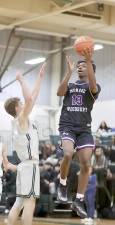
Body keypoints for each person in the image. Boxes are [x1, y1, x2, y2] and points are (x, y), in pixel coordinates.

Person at [57, 49, 101, 218]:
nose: (80, 67)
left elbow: (93, 86)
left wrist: (89, 61)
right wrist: (68, 73)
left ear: (91, 70)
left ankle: (79, 199)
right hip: (67, 126)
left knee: (85, 164)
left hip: (84, 129)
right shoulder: (71, 85)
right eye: (79, 66)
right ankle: (62, 185)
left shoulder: (94, 87)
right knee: (67, 154)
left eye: (85, 66)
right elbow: (59, 93)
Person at [4, 62, 46, 225]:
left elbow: (32, 96)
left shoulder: (19, 121)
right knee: (29, 202)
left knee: (19, 202)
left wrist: (40, 78)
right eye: (20, 104)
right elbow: (30, 98)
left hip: (23, 166)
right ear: (16, 108)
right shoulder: (21, 120)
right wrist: (21, 80)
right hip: (29, 166)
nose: (24, 104)